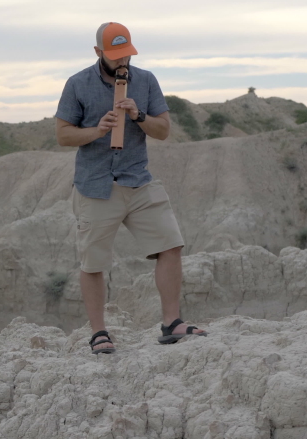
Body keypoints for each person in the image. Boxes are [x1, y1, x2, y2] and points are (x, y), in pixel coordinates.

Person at [54, 22, 207, 354]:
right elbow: (63, 134)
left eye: (126, 53)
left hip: (138, 179)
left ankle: (172, 323)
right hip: (95, 186)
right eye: (115, 55)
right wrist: (96, 131)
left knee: (171, 245)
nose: (122, 61)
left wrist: (138, 115)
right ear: (98, 53)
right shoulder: (78, 84)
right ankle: (99, 333)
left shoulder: (147, 80)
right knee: (93, 263)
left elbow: (164, 130)